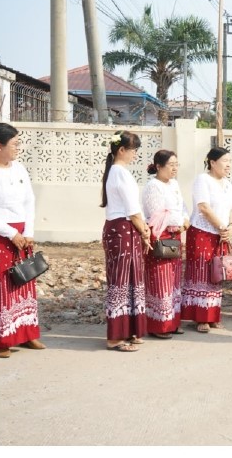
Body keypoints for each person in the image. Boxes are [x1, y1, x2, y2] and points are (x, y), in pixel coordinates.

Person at [0, 123, 46, 358]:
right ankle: (1, 339)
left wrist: (28, 232)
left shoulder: (19, 168)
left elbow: (29, 201)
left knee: (24, 280)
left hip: (22, 234)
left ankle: (26, 333)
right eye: (15, 144)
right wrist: (10, 233)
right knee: (1, 285)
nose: (18, 148)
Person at [100, 130, 151, 352]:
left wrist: (141, 228)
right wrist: (145, 231)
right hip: (123, 229)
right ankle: (115, 337)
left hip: (123, 229)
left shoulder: (116, 171)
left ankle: (129, 329)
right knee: (121, 281)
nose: (135, 155)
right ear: (121, 150)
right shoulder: (120, 172)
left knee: (130, 279)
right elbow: (132, 210)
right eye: (133, 150)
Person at [181, 147, 232, 333]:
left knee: (216, 273)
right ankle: (200, 317)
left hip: (221, 235)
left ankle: (213, 315)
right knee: (201, 273)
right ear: (212, 162)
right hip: (202, 232)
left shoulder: (227, 184)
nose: (228, 164)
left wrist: (231, 226)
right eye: (225, 161)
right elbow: (204, 207)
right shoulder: (203, 180)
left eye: (230, 161)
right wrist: (221, 227)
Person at [142, 150, 190, 339]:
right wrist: (179, 223)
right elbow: (158, 214)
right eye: (171, 165)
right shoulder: (153, 186)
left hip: (175, 234)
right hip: (160, 235)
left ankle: (172, 321)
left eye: (176, 164)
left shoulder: (174, 184)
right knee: (160, 279)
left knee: (173, 278)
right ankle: (158, 324)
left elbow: (181, 206)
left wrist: (185, 219)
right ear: (159, 166)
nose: (175, 168)